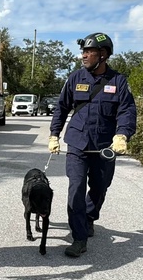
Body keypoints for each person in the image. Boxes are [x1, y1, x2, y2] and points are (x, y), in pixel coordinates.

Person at [48, 32, 137, 258]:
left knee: (100, 187)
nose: (84, 56)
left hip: (104, 147)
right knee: (75, 188)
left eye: (89, 52)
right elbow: (62, 107)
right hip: (77, 144)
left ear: (103, 55)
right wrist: (54, 134)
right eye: (83, 52)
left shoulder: (118, 81)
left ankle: (88, 217)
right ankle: (79, 238)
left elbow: (127, 111)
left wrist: (122, 135)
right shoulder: (75, 78)